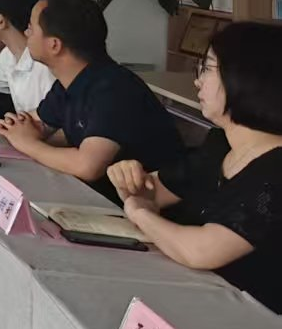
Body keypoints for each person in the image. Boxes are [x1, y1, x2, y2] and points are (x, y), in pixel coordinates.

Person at [108, 23, 282, 312]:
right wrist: (127, 178)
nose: (198, 81)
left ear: (247, 79)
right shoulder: (220, 145)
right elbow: (150, 191)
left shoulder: (275, 170)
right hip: (194, 297)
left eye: (208, 69)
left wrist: (140, 212)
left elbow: (199, 251)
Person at [0, 0, 185, 201]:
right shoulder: (70, 83)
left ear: (54, 45)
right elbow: (35, 124)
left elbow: (87, 166)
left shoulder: (114, 89)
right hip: (99, 197)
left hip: (146, 208)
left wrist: (27, 143)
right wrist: (19, 131)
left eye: (31, 27)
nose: (26, 32)